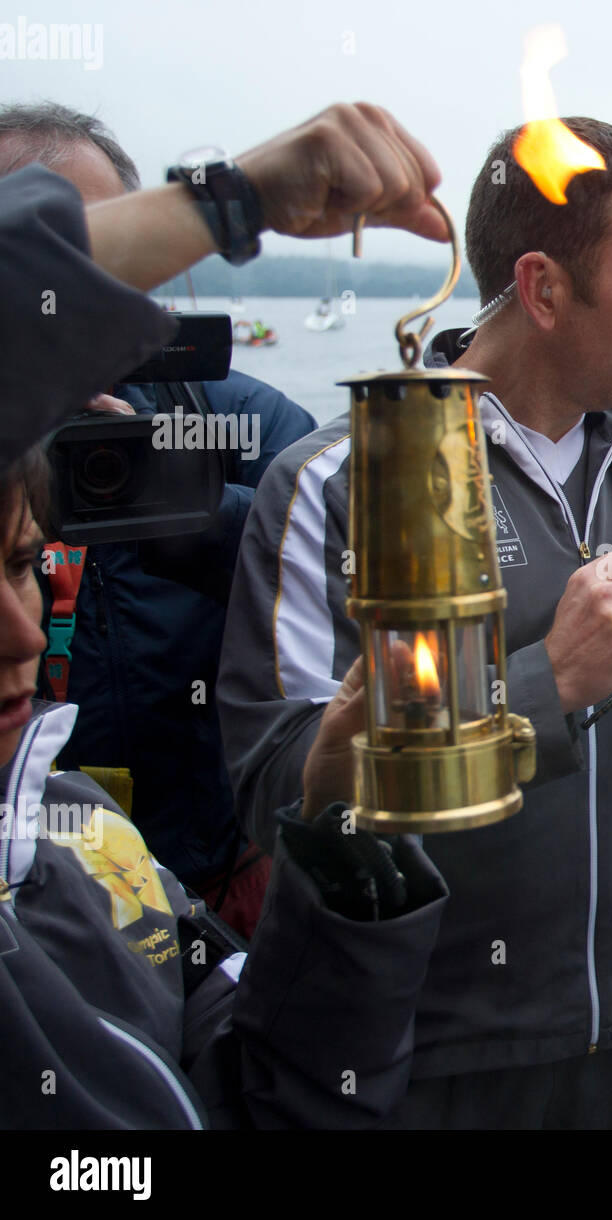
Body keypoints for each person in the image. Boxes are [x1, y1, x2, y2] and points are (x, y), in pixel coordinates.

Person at [218, 117, 612, 1128]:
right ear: (545, 288)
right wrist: (546, 679)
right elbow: (278, 789)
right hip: (425, 1055)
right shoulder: (338, 484)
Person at [0, 444, 451, 1128]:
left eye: (21, 567)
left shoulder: (84, 831)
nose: (24, 634)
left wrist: (340, 846)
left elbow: (265, 1092)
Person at [0, 103, 316, 926]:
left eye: (92, 255)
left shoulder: (224, 415)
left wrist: (186, 513)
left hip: (210, 881)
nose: (58, 299)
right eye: (36, 261)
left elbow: (347, 551)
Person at [0, 100, 449, 474]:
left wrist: (179, 499)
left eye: (100, 239)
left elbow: (322, 541)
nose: (79, 274)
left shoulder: (244, 419)